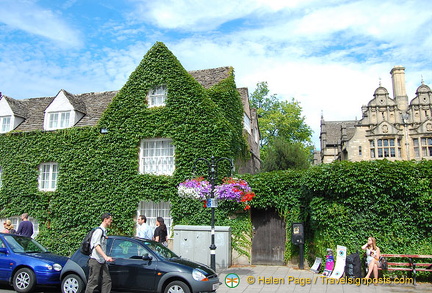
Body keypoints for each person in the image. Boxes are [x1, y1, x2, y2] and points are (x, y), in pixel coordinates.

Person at [85, 213, 114, 293]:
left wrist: (104, 258)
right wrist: (105, 257)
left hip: (102, 260)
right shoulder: (98, 231)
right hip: (95, 260)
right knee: (93, 282)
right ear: (105, 220)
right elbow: (96, 246)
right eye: (110, 220)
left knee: (107, 280)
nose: (111, 221)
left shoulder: (104, 232)